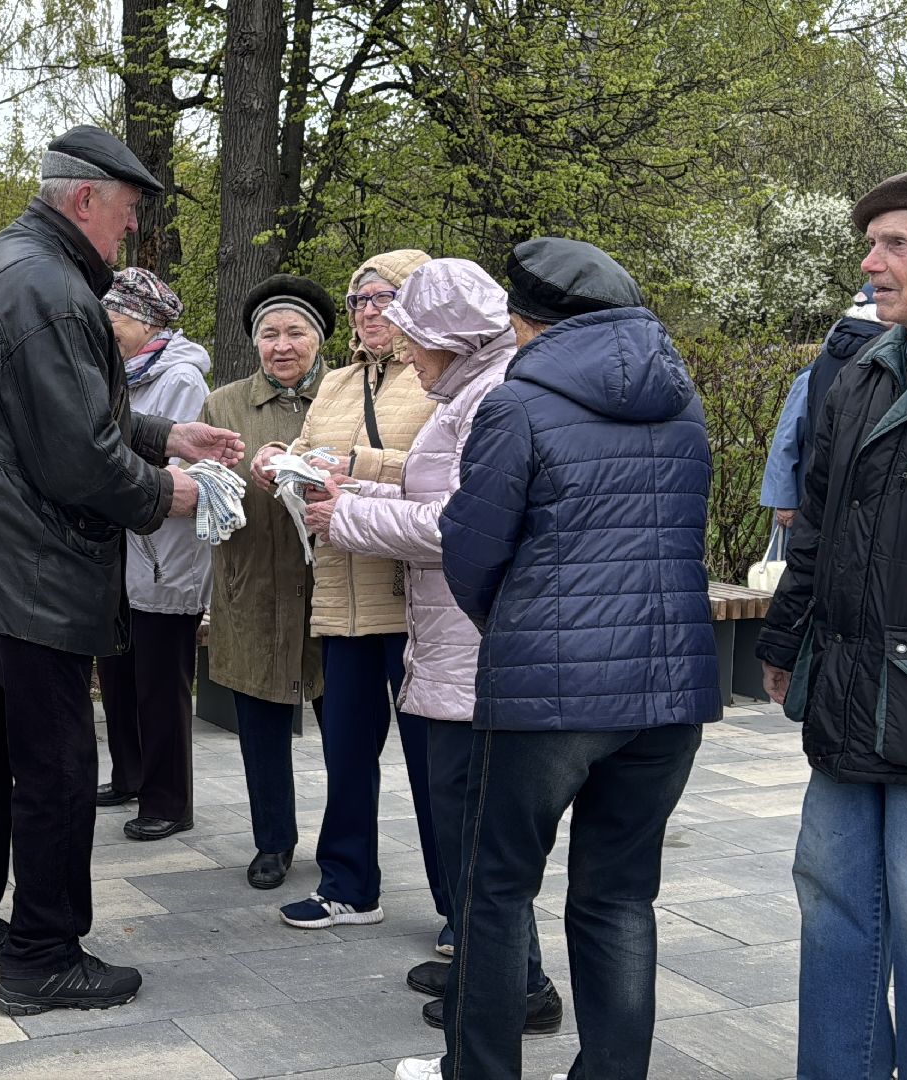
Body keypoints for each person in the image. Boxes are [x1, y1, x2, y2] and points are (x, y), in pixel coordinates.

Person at [0, 125, 244, 1016]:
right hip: (29, 568)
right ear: (85, 198)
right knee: (52, 762)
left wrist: (168, 434)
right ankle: (43, 954)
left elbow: (53, 415)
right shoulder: (51, 289)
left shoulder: (8, 265)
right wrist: (169, 489)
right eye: (128, 213)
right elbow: (76, 458)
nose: (130, 233)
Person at [395, 238, 718, 1080]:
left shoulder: (518, 403)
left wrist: (514, 627)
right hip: (669, 690)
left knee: (495, 893)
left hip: (549, 694)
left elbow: (470, 548)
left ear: (527, 321)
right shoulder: (683, 403)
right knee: (618, 897)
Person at [301, 259, 560, 1037]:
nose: (407, 354)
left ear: (450, 335)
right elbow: (431, 496)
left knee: (476, 827)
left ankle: (517, 989)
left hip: (470, 645)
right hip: (454, 642)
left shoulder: (491, 399)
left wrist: (342, 518)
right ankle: (497, 971)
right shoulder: (475, 391)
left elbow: (457, 526)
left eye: (416, 338)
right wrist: (350, 496)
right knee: (471, 825)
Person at [756, 167, 907, 1080]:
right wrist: (782, 638)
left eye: (896, 244)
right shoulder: (859, 375)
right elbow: (816, 530)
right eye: (869, 242)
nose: (869, 262)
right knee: (832, 903)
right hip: (847, 691)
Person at [247, 249, 447, 932]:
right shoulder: (333, 385)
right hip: (340, 597)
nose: (366, 312)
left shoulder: (438, 377)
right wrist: (280, 465)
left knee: (434, 767)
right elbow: (307, 453)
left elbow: (443, 476)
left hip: (416, 601)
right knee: (346, 754)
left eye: (381, 298)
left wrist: (356, 465)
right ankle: (349, 885)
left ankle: (463, 909)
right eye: (358, 300)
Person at [203, 275, 332, 889]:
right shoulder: (223, 404)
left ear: (319, 338)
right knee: (260, 726)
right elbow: (193, 481)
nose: (281, 345)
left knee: (347, 734)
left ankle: (346, 849)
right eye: (268, 334)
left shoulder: (344, 397)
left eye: (295, 332)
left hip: (335, 591)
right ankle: (272, 843)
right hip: (251, 586)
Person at [95, 266, 213, 841]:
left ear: (145, 323)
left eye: (114, 317)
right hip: (118, 540)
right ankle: (129, 773)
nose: (107, 326)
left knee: (162, 679)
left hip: (164, 549)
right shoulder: (114, 370)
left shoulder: (181, 378)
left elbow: (181, 471)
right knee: (118, 666)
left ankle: (169, 798)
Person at [760, 284, 884, 530]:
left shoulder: (815, 370)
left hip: (807, 495)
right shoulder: (886, 366)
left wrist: (784, 501)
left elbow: (787, 440)